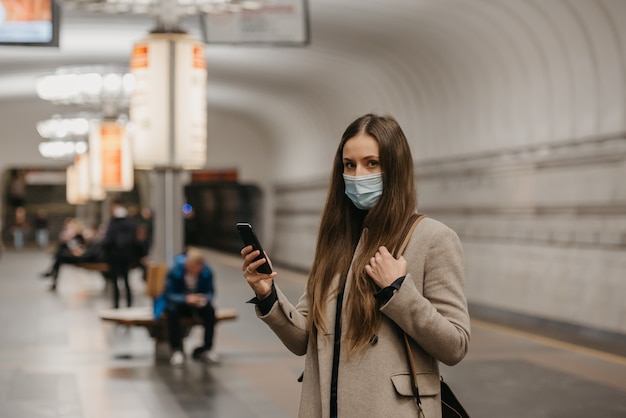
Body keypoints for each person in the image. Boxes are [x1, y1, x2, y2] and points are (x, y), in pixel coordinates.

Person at [240, 114, 471, 418]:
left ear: (395, 169)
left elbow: (455, 345)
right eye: (350, 165)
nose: (358, 174)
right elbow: (303, 340)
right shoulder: (336, 241)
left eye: (372, 163)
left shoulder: (433, 239)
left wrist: (398, 291)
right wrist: (268, 294)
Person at [157, 248, 218, 366]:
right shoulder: (175, 270)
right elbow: (169, 294)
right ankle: (176, 349)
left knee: (210, 311)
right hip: (180, 304)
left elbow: (210, 292)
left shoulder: (206, 272)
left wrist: (204, 299)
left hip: (197, 304)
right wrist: (186, 299)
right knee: (172, 312)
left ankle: (207, 349)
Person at [103, 199, 137, 309]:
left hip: (115, 256)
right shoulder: (130, 222)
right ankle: (129, 303)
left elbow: (108, 240)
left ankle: (116, 304)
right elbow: (134, 239)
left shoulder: (113, 223)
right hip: (127, 256)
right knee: (127, 280)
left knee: (115, 281)